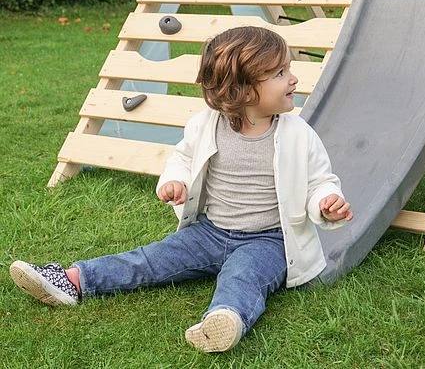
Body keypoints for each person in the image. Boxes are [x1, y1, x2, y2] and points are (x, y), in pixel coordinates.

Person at [10, 26, 353, 353]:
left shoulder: (298, 134)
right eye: (280, 73)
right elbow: (184, 160)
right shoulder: (206, 124)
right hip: (210, 232)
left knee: (244, 276)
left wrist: (325, 201)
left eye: (288, 69)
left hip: (268, 240)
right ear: (244, 90)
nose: (293, 78)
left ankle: (225, 319)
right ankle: (72, 279)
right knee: (151, 259)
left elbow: (318, 180)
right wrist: (176, 181)